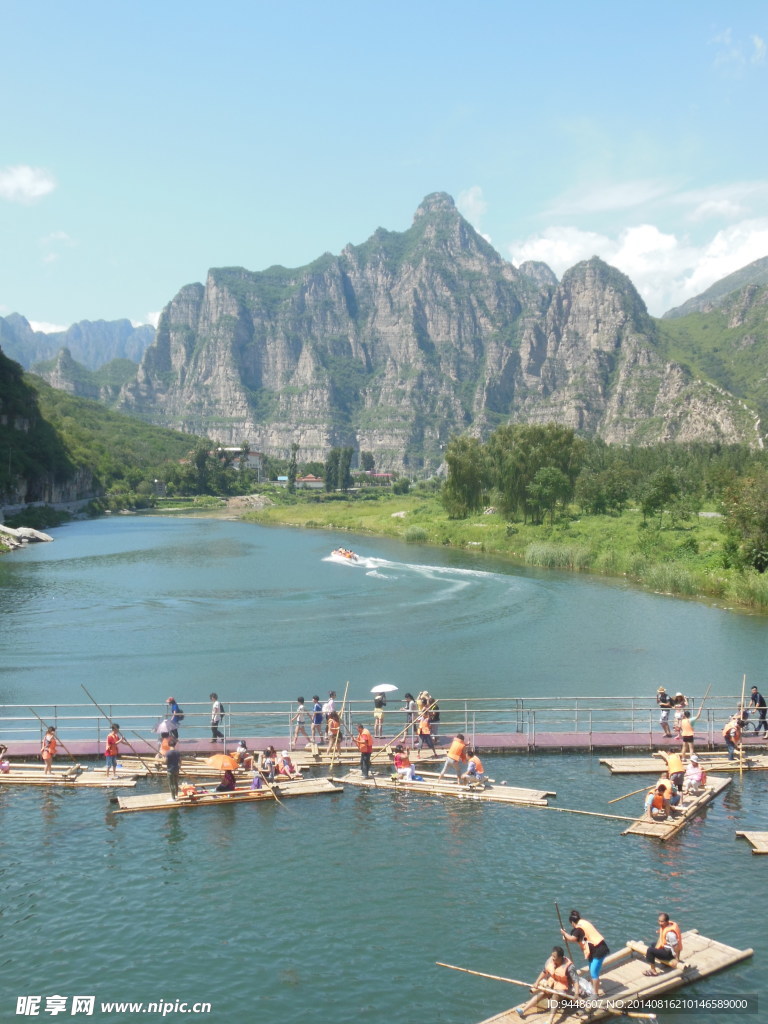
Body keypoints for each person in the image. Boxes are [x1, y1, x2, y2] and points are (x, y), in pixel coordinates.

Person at [514, 945, 578, 1023]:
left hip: (564, 988)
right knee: (542, 993)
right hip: (552, 983)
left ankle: (550, 1020)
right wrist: (537, 982)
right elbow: (544, 972)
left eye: (555, 957)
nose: (553, 958)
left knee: (555, 996)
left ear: (560, 957)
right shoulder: (551, 960)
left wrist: (576, 994)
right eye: (552, 955)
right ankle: (523, 1010)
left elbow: (575, 981)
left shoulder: (570, 967)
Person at [560, 910, 609, 998]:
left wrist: (564, 934)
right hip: (593, 950)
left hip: (599, 950)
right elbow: (575, 937)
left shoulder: (578, 929)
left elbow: (573, 938)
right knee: (593, 971)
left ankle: (595, 994)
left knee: (594, 972)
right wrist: (566, 936)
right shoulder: (583, 923)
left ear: (572, 922)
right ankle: (594, 987)